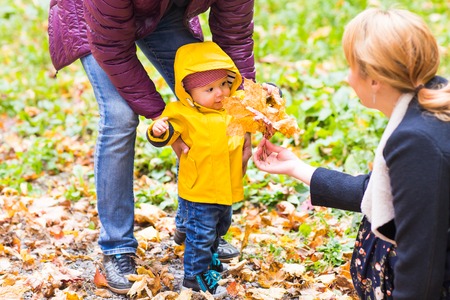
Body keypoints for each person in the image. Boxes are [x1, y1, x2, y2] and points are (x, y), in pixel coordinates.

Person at [47, 0, 254, 294]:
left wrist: (243, 111)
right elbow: (112, 49)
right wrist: (162, 117)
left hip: (162, 13)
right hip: (100, 21)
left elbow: (234, 36)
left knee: (209, 88)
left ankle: (195, 221)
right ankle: (117, 247)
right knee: (120, 116)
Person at [253, 8, 450, 300]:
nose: (347, 78)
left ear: (374, 79)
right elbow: (381, 191)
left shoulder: (416, 141)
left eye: (351, 67)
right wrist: (296, 168)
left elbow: (423, 265)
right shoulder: (431, 99)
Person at [147, 41, 245, 297]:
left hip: (226, 190)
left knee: (219, 230)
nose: (220, 93)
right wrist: (160, 130)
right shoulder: (183, 113)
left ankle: (208, 263)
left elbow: (260, 108)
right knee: (200, 238)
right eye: (210, 89)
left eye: (224, 83)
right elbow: (165, 132)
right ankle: (195, 280)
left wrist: (270, 93)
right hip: (199, 191)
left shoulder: (234, 108)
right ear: (189, 93)